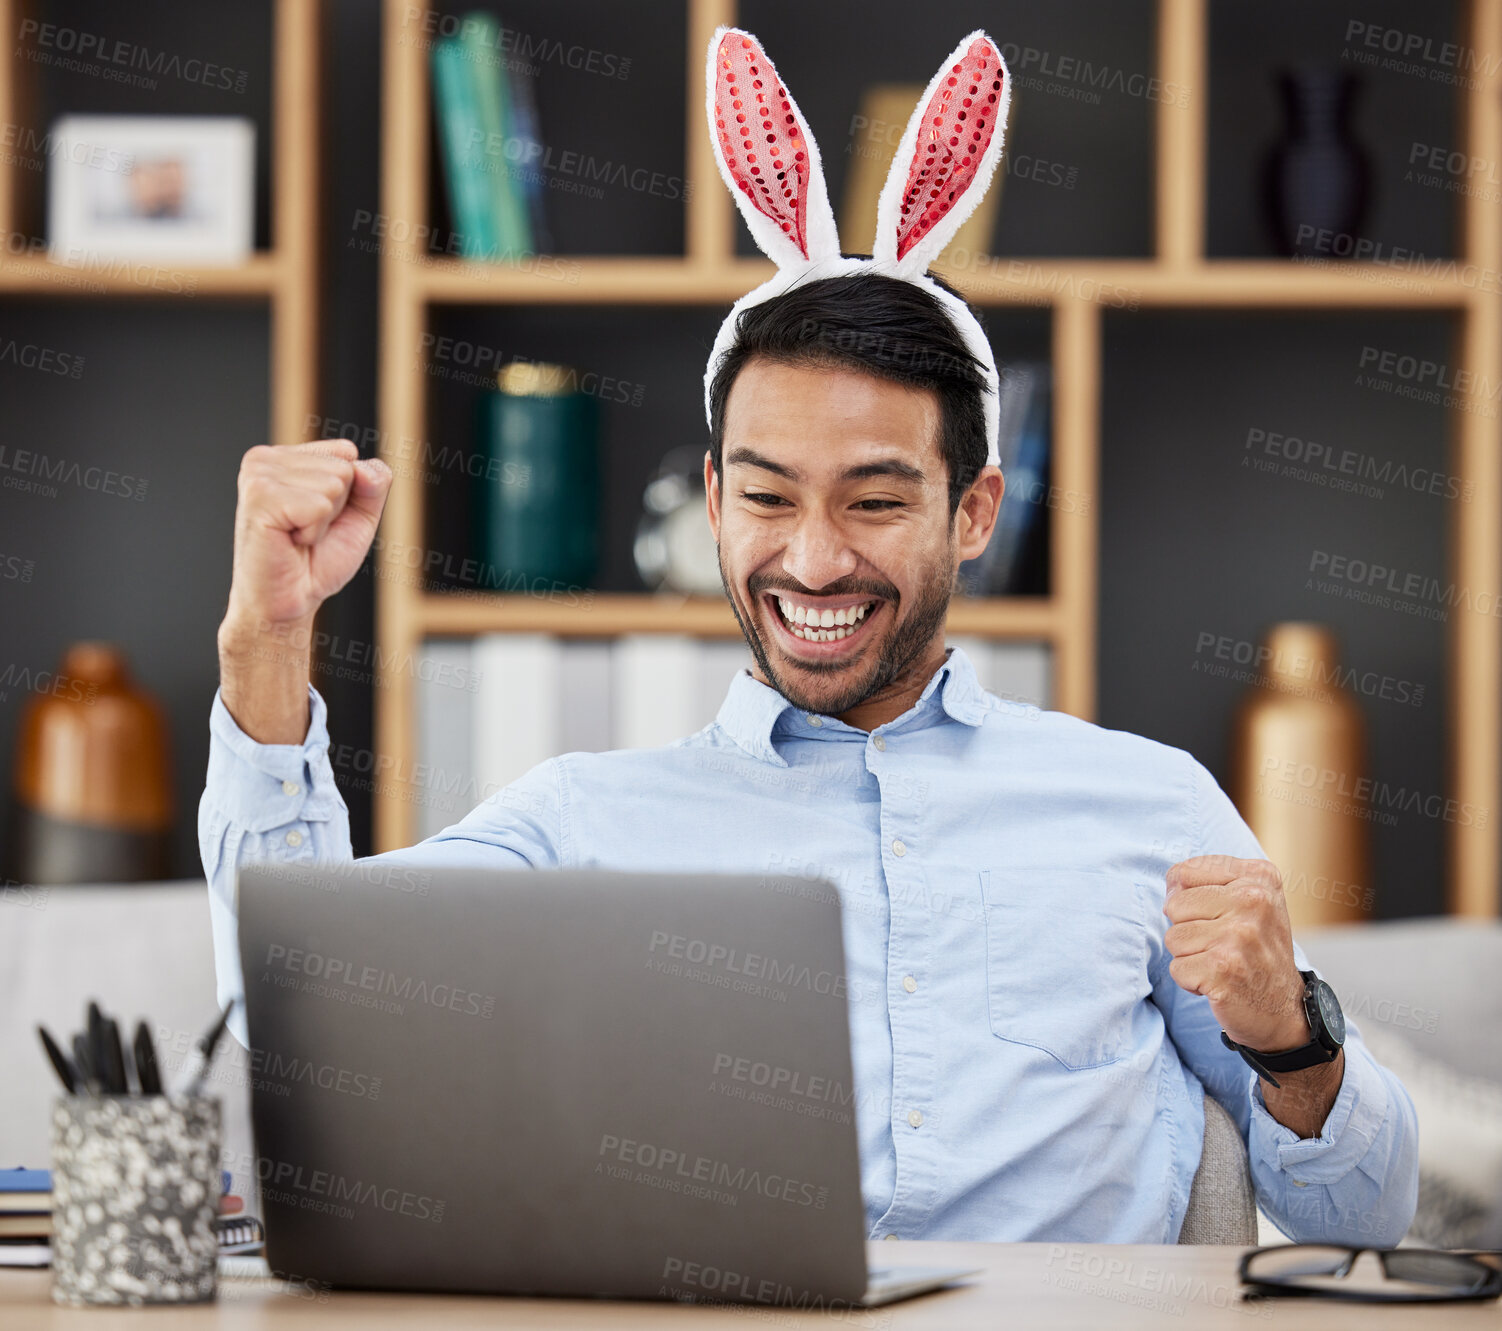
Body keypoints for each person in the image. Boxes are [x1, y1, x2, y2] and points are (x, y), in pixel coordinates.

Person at [200, 25, 1417, 1247]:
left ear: (973, 510)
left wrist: (1289, 1033)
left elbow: (1366, 1216)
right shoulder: (581, 819)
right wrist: (270, 634)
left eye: (876, 499)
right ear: (716, 503)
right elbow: (297, 994)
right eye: (769, 497)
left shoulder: (1147, 805)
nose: (815, 557)